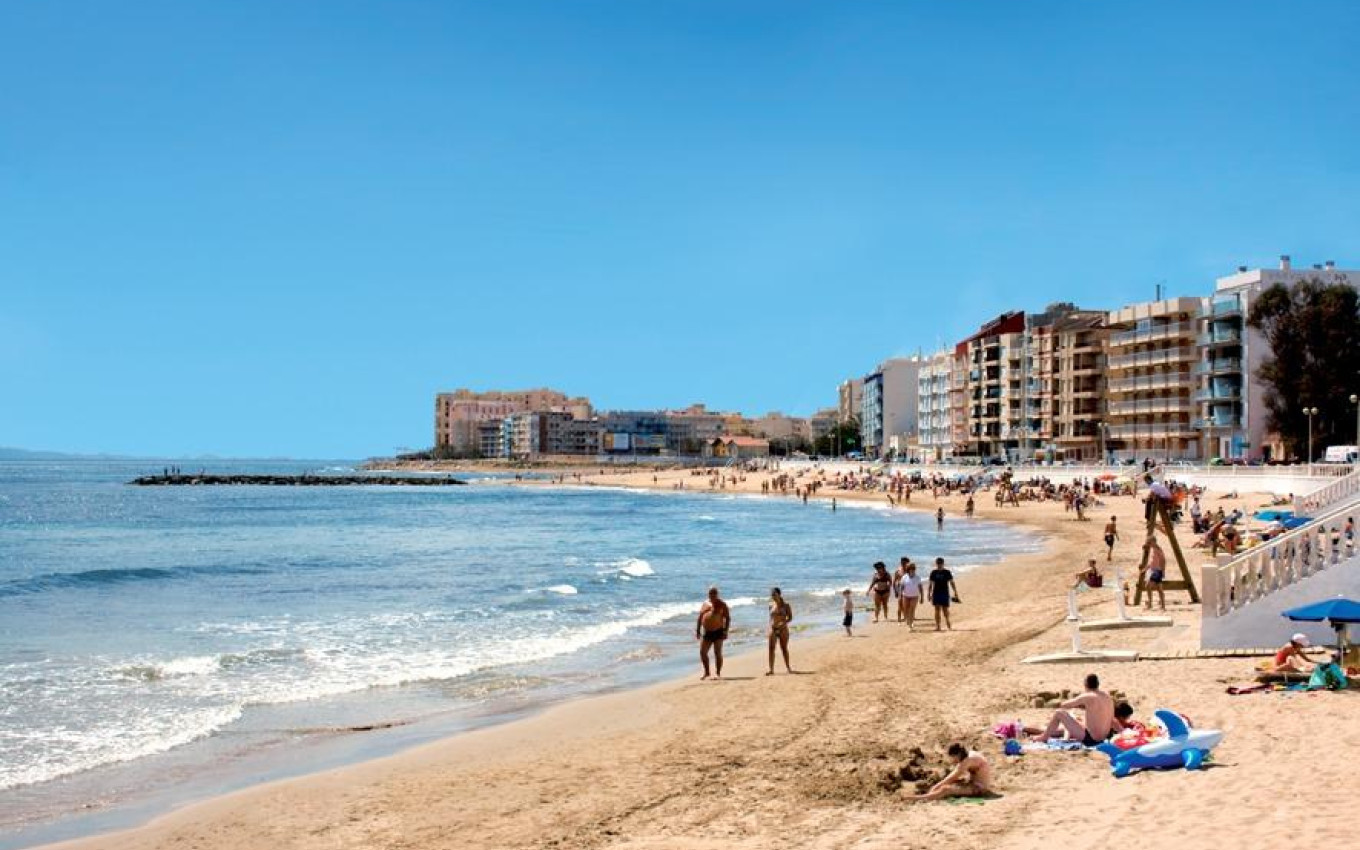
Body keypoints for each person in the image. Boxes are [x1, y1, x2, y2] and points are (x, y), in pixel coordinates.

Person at [1040, 673, 1115, 745]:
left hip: (1091, 739)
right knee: (1079, 721)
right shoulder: (1107, 697)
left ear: (1085, 684)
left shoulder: (1088, 696)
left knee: (1059, 713)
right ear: (1098, 684)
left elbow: (1065, 705)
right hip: (1105, 738)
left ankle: (1043, 737)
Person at [903, 743, 993, 802]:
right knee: (952, 785)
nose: (953, 760)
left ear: (957, 755)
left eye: (953, 757)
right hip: (976, 782)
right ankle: (929, 795)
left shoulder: (966, 762)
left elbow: (950, 778)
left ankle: (920, 798)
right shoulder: (970, 755)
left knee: (946, 790)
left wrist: (934, 788)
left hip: (980, 788)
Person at [695, 586, 731, 680]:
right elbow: (700, 617)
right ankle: (707, 672)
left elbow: (727, 618)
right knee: (703, 652)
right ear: (708, 594)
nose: (712, 595)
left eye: (714, 593)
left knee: (717, 653)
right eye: (711, 593)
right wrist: (698, 630)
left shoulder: (722, 604)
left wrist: (725, 631)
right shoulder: (705, 603)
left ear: (717, 594)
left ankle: (718, 673)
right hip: (707, 632)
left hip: (718, 631)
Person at [766, 587, 793, 675]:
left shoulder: (786, 605)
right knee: (771, 649)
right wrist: (769, 627)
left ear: (779, 594)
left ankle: (788, 668)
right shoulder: (770, 605)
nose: (773, 596)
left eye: (774, 594)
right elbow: (770, 618)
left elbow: (790, 618)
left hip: (783, 629)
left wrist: (783, 623)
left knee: (784, 648)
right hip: (773, 629)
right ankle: (771, 669)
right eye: (772, 595)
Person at [927, 557, 958, 631]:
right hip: (936, 593)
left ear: (943, 564)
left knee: (945, 610)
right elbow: (930, 584)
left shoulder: (947, 572)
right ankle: (938, 626)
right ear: (936, 564)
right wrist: (929, 593)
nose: (939, 565)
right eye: (938, 563)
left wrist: (955, 591)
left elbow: (951, 582)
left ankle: (947, 621)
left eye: (940, 563)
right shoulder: (933, 572)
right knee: (937, 610)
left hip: (944, 593)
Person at [1142, 537, 1166, 611]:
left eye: (1149, 542)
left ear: (1153, 542)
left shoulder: (1158, 549)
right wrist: (1145, 569)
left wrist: (1163, 570)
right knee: (1159, 588)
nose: (1149, 544)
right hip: (1153, 570)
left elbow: (1163, 560)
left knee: (1149, 586)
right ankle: (1162, 606)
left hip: (1157, 570)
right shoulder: (1153, 549)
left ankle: (1150, 604)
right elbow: (1151, 562)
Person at [898, 561, 923, 630]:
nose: (912, 570)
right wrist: (900, 595)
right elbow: (901, 587)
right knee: (906, 610)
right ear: (908, 570)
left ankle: (911, 625)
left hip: (915, 596)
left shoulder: (917, 577)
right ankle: (908, 620)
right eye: (910, 569)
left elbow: (920, 587)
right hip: (905, 596)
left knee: (912, 609)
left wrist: (922, 597)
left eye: (913, 569)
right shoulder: (904, 577)